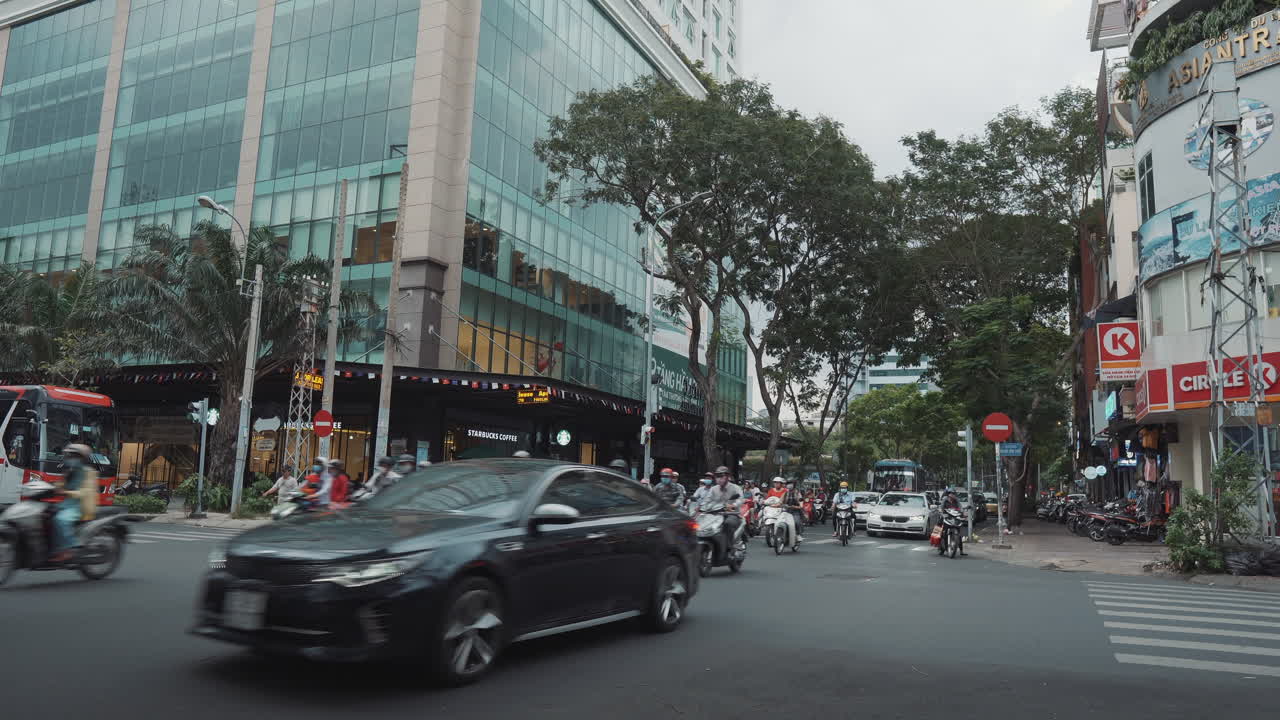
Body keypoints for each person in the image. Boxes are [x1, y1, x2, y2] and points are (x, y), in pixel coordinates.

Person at [50, 444, 97, 563]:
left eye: (74, 456)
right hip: (67, 504)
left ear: (82, 458)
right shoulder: (70, 471)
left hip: (80, 506)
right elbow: (60, 486)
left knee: (60, 520)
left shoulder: (89, 472)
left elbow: (86, 491)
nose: (70, 458)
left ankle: (69, 549)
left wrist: (67, 492)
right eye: (69, 456)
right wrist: (55, 486)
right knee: (46, 515)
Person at [698, 466, 744, 547]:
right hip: (715, 515)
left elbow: (740, 499)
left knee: (727, 524)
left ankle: (729, 548)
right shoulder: (713, 489)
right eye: (717, 476)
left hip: (732, 514)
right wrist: (701, 507)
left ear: (727, 477)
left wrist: (733, 505)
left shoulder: (735, 488)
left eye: (722, 476)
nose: (719, 478)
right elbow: (707, 501)